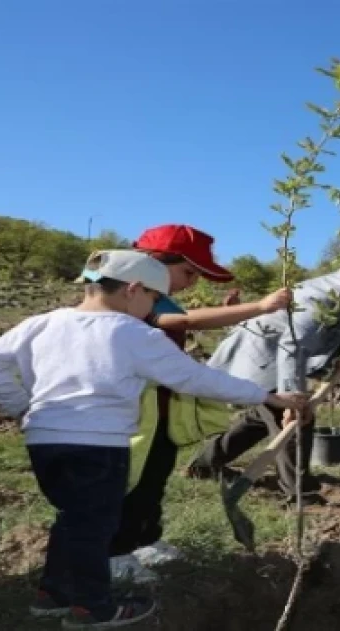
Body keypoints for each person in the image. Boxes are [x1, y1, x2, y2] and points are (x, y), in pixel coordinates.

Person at [0, 249, 307, 628]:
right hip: (100, 444)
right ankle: (92, 607)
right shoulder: (134, 333)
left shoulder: (43, 323)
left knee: (73, 518)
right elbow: (196, 379)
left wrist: (22, 407)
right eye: (154, 299)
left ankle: (54, 593)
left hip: (45, 441)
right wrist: (268, 396)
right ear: (134, 289)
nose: (153, 307)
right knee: (95, 525)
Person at [108, 224, 292, 585]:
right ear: (153, 262)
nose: (192, 281)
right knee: (131, 484)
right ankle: (115, 555)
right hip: (130, 412)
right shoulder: (137, 298)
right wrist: (261, 307)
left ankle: (144, 540)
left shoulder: (158, 296)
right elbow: (186, 321)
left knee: (154, 477)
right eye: (188, 272)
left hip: (158, 411)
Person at [188, 255, 340, 504]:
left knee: (262, 418)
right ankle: (298, 492)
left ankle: (205, 465)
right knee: (296, 421)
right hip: (263, 356)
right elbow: (293, 348)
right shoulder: (317, 299)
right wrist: (292, 400)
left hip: (289, 356)